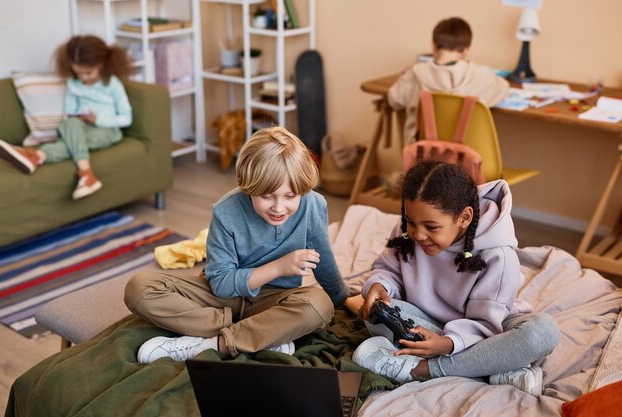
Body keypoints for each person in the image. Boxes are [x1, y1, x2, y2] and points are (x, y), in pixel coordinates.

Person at [126, 126, 350, 363]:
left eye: (290, 196)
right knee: (139, 287)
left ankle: (212, 344)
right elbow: (222, 284)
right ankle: (262, 335)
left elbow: (323, 258)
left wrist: (342, 297)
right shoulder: (226, 211)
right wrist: (279, 267)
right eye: (267, 196)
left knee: (319, 306)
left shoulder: (313, 205)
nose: (279, 207)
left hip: (273, 300)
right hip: (220, 295)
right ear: (248, 187)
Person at [352, 160, 559, 395]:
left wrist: (448, 344)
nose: (418, 234)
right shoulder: (409, 232)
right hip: (429, 321)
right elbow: (389, 269)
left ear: (464, 217)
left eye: (431, 227)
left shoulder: (498, 255)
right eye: (410, 222)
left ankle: (422, 369)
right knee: (376, 315)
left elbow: (485, 323)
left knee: (543, 331)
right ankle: (496, 366)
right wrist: (380, 285)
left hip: (487, 330)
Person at [0, 35, 132, 199]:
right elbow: (69, 111)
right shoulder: (73, 84)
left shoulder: (112, 84)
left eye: (88, 73)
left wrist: (98, 120)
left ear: (102, 64)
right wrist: (77, 118)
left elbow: (126, 118)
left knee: (71, 140)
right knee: (69, 124)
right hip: (80, 128)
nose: (83, 78)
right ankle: (84, 174)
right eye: (79, 73)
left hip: (108, 131)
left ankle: (36, 156)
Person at [388, 17, 509, 144]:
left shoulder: (415, 74)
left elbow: (394, 99)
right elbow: (503, 88)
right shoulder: (477, 76)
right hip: (463, 158)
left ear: (433, 45)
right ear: (467, 49)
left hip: (421, 159)